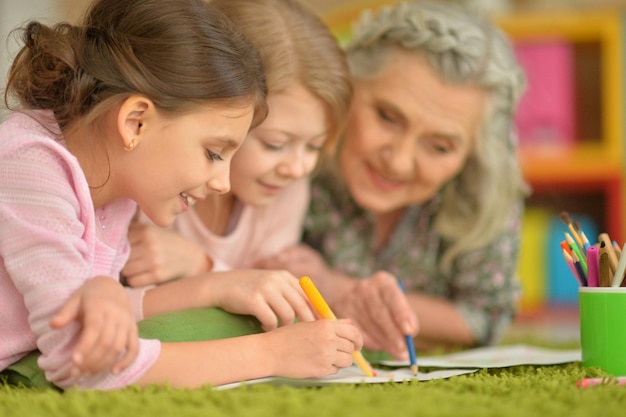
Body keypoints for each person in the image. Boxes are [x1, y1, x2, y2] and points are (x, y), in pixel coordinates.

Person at [0, 0, 361, 390]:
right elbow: (85, 362)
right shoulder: (29, 163)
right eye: (213, 153)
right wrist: (273, 354)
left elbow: (109, 322)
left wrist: (218, 285)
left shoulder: (116, 182)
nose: (223, 182)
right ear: (135, 122)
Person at [258, 0, 528, 359]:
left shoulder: (485, 183)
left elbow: (486, 319)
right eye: (387, 117)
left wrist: (335, 286)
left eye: (440, 146)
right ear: (346, 87)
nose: (399, 162)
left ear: (473, 155)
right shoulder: (285, 154)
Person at [121, 0, 352, 332]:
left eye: (314, 146)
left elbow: (265, 310)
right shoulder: (151, 183)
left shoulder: (286, 191)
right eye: (275, 144)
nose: (298, 168)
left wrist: (200, 265)